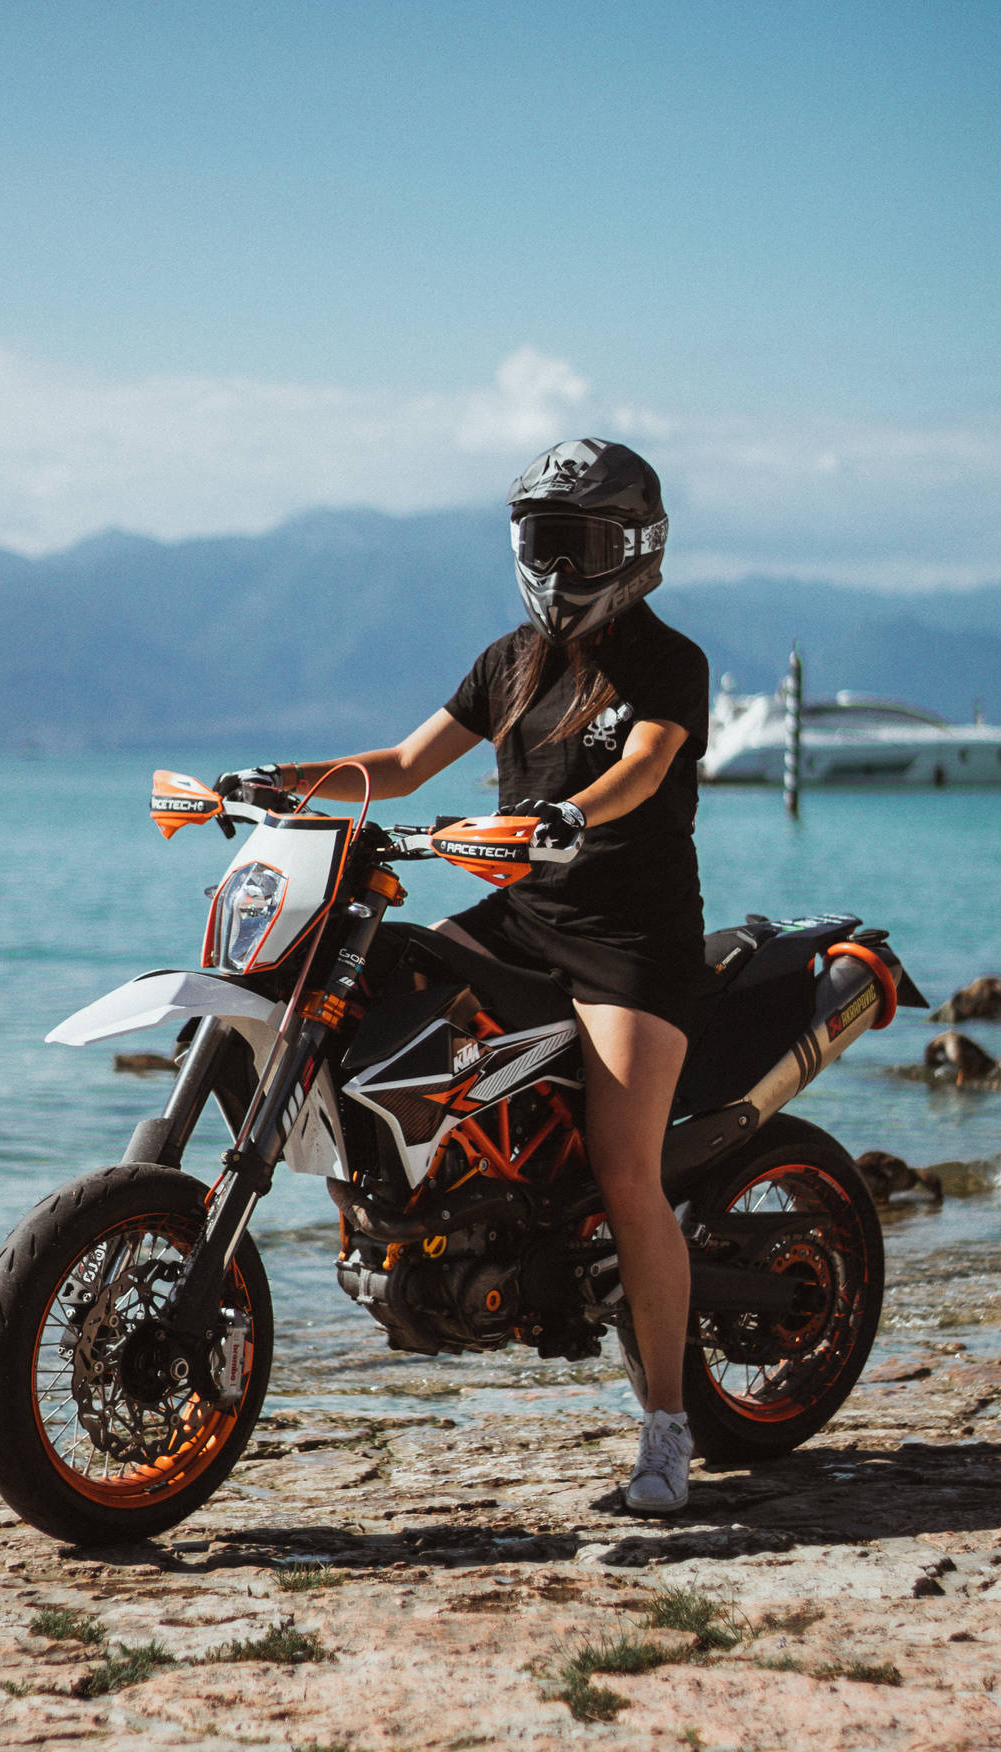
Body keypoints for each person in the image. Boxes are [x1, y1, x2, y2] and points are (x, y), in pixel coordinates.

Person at [229, 439, 709, 1516]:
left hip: (630, 941)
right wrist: (279, 780)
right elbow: (397, 769)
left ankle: (667, 1432)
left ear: (630, 545)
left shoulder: (669, 662)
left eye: (573, 539)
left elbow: (641, 770)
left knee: (625, 1167)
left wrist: (569, 813)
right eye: (537, 537)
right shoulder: (506, 663)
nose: (551, 560)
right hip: (518, 916)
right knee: (372, 990)